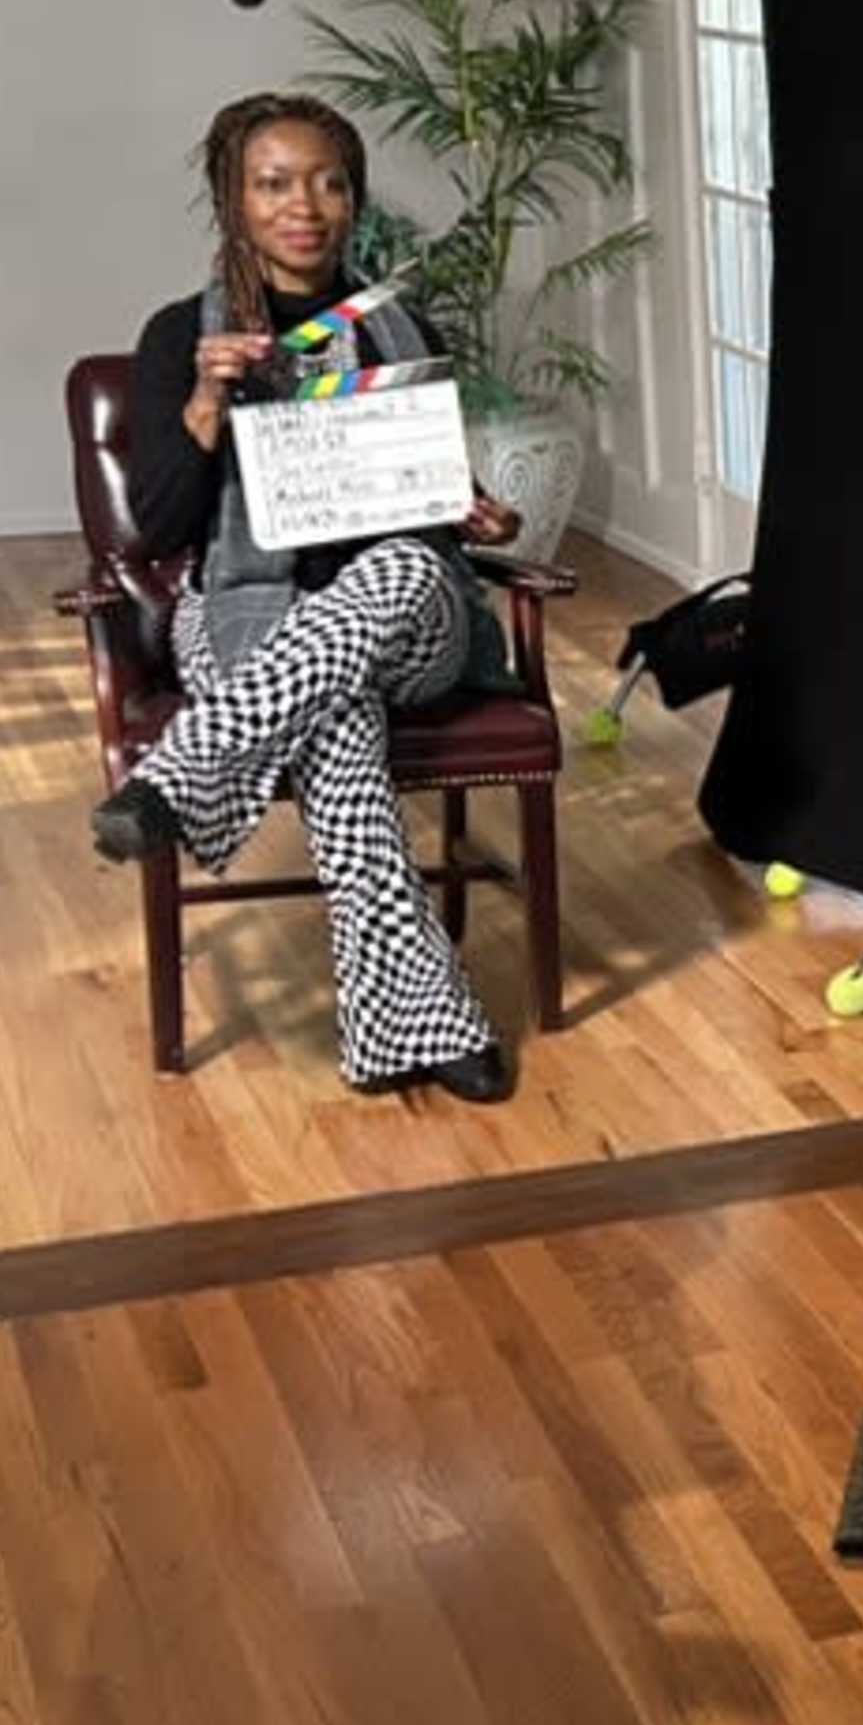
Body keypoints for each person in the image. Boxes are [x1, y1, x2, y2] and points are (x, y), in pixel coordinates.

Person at [88, 91, 529, 1106]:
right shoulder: (176, 338)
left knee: (408, 569)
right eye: (275, 183)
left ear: (354, 199)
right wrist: (203, 405)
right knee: (335, 721)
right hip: (249, 616)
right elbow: (154, 531)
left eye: (329, 183)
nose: (306, 206)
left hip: (405, 616)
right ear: (232, 201)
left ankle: (191, 770)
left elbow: (426, 502)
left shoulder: (393, 328)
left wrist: (478, 514)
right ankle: (412, 1023)